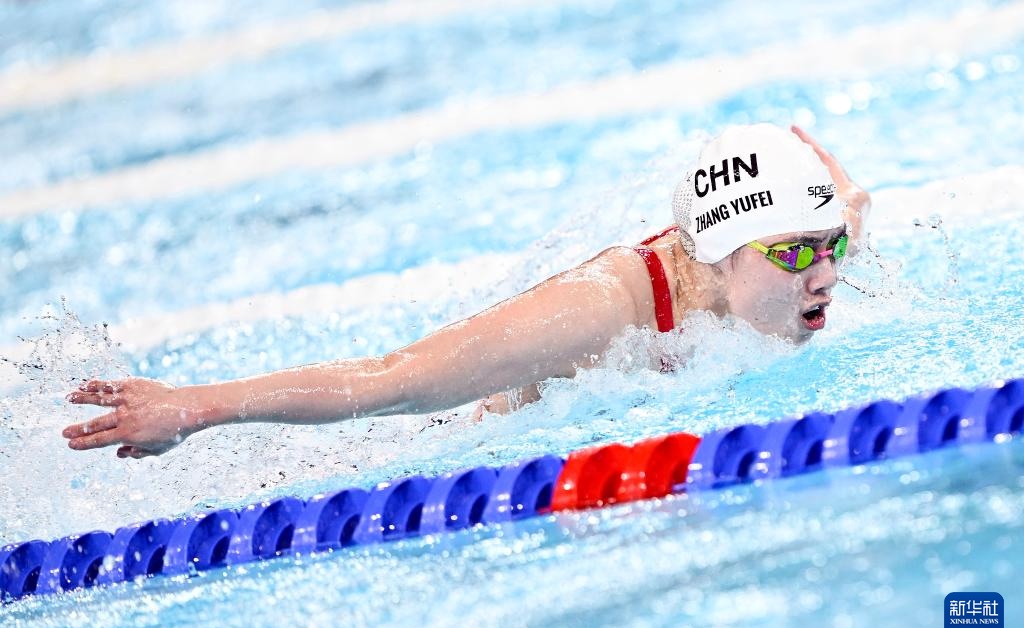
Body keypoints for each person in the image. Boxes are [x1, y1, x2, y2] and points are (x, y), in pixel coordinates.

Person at [63, 123, 871, 459]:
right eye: (800, 251)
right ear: (724, 255)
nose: (828, 271)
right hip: (458, 450)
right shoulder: (602, 311)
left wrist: (837, 215)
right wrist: (195, 408)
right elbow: (397, 378)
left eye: (831, 245)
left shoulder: (789, 264)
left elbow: (839, 219)